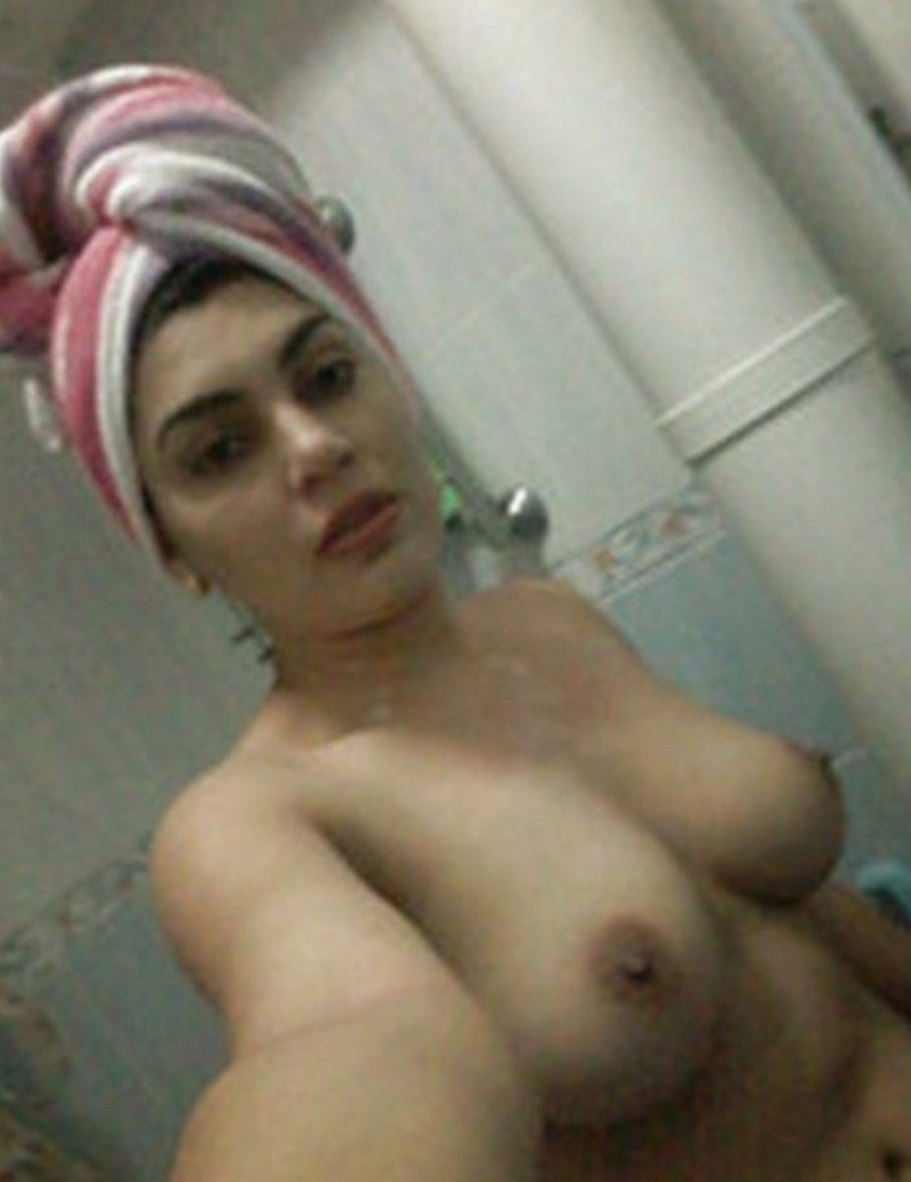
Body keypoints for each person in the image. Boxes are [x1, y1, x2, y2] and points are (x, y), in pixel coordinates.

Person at [2, 65, 910, 1182]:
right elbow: (342, 1049)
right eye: (221, 449)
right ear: (174, 549)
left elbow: (799, 924)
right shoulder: (256, 825)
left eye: (326, 375)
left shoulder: (546, 625)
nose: (314, 446)